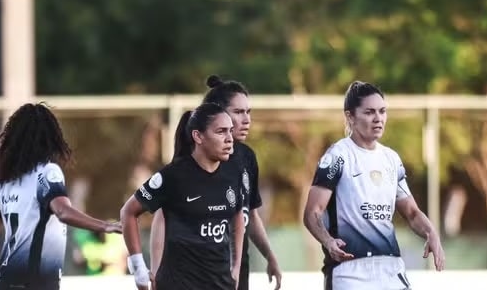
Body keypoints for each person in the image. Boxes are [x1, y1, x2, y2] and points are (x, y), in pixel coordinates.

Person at [303, 81, 445, 290]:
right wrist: (328, 241)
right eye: (369, 112)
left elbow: (412, 213)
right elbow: (312, 212)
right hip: (349, 269)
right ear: (350, 116)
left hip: (390, 267)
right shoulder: (338, 156)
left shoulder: (391, 159)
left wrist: (431, 233)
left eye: (382, 111)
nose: (378, 118)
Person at [149, 75, 282, 290]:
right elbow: (162, 216)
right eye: (238, 112)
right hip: (194, 273)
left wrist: (270, 256)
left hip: (234, 272)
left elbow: (250, 214)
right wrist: (155, 270)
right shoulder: (196, 162)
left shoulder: (247, 157)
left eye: (249, 112)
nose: (246, 120)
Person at [0, 103, 122, 290]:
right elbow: (62, 212)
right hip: (36, 283)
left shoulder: (5, 184)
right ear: (49, 139)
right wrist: (106, 226)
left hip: (3, 282)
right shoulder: (46, 172)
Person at [120, 102, 246, 290]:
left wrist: (236, 267)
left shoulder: (233, 174)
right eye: (221, 132)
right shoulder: (172, 176)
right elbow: (128, 212)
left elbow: (238, 215)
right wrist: (139, 268)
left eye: (230, 131)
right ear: (198, 136)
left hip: (221, 285)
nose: (229, 139)